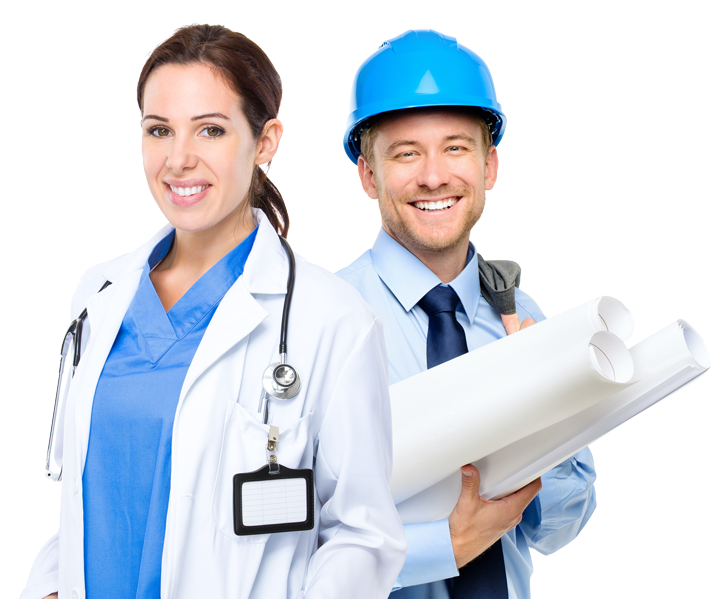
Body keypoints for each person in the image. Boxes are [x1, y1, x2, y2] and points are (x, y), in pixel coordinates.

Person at [20, 24, 406, 599]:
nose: (178, 159)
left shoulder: (331, 321)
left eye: (211, 130)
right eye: (159, 130)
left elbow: (364, 535)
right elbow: (89, 495)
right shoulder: (98, 296)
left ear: (266, 141)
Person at [338, 30, 597, 599]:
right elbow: (291, 543)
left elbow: (557, 530)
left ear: (489, 165)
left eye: (456, 147)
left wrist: (547, 421)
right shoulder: (321, 322)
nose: (434, 176)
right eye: (406, 153)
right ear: (368, 174)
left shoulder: (521, 319)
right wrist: (441, 547)